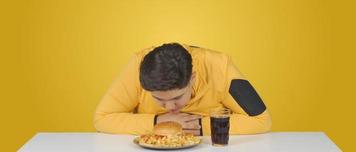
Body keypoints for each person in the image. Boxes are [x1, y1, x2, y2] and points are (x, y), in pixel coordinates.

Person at [94, 43, 271, 135]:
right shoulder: (136, 67)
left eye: (177, 98)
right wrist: (158, 122)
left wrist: (198, 126)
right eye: (159, 100)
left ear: (192, 78)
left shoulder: (220, 67)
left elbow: (262, 120)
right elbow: (102, 118)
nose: (170, 108)